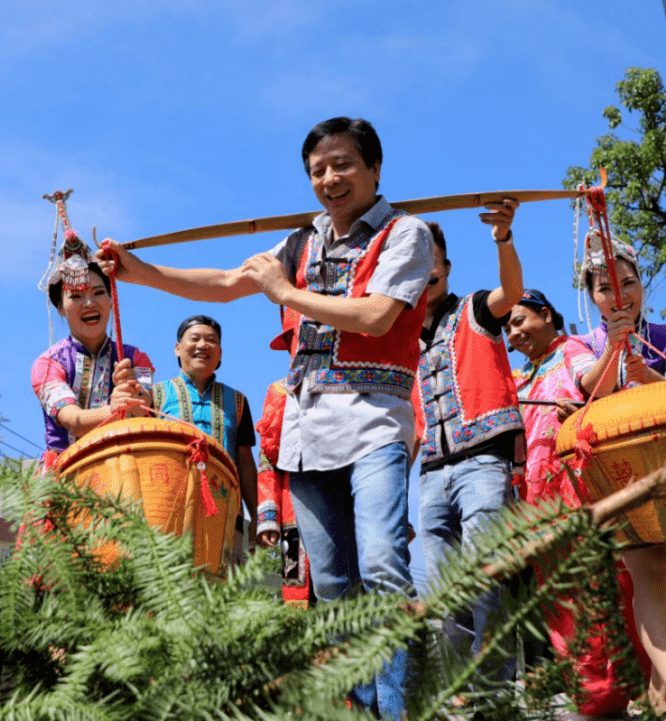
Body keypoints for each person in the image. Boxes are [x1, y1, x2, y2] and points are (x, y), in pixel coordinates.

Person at [99, 116, 432, 719]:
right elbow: (229, 281)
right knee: (330, 586)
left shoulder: (408, 235)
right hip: (307, 433)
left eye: (343, 165)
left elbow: (378, 316)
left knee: (383, 563)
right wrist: (140, 270)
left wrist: (284, 294)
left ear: (375, 169)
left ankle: (399, 707)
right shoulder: (300, 244)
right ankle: (358, 709)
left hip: (377, 422)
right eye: (317, 170)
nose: (329, 179)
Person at [506, 289, 652, 718]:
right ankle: (587, 691)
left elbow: (592, 384)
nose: (514, 333)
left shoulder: (570, 350)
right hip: (537, 502)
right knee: (558, 599)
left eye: (519, 321)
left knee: (598, 586)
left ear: (546, 315)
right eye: (508, 328)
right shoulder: (520, 378)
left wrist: (609, 353)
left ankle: (613, 692)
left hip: (578, 487)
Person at [411, 214, 523, 685]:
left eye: (431, 263)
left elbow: (511, 292)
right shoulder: (405, 336)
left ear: (447, 266)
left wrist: (502, 238)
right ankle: (457, 690)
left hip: (482, 460)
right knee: (440, 588)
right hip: (432, 472)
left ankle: (495, 684)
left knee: (484, 573)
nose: (426, 274)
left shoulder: (475, 309)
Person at [571, 238, 666, 714]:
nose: (620, 294)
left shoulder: (664, 335)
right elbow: (589, 391)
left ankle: (658, 693)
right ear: (592, 297)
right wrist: (614, 349)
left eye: (629, 282)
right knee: (647, 572)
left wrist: (648, 376)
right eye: (606, 287)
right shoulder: (582, 344)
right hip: (624, 479)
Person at [32, 252, 154, 468]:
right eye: (76, 296)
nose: (89, 302)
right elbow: (73, 421)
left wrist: (134, 393)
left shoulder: (135, 359)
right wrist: (115, 409)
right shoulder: (48, 363)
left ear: (111, 300)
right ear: (60, 307)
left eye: (98, 292)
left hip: (127, 467)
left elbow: (145, 409)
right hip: (65, 472)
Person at [151, 314, 258, 550]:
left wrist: (258, 515)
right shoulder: (154, 395)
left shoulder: (238, 401)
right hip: (167, 510)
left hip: (227, 514)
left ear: (219, 353)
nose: (203, 345)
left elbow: (246, 462)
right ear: (178, 349)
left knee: (223, 584)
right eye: (195, 338)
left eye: (211, 340)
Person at [255, 308, 310, 605]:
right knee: (296, 588)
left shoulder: (350, 385)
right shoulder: (278, 393)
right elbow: (267, 461)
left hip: (346, 500)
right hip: (294, 508)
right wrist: (268, 517)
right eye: (295, 337)